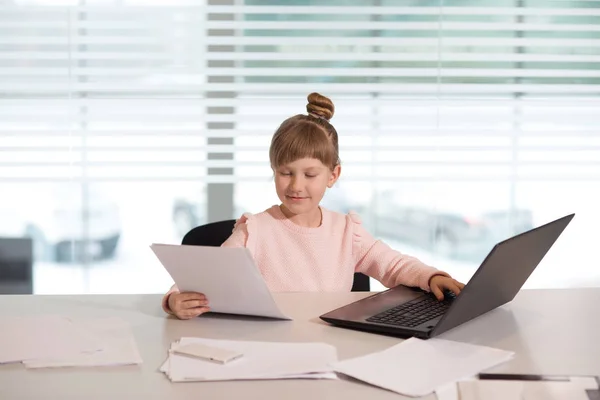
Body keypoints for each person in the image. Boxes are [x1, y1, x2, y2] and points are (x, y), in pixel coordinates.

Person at [163, 92, 465, 320]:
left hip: (334, 343)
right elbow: (209, 276)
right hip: (273, 345)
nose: (296, 185)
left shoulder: (348, 232)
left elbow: (394, 264)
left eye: (310, 175)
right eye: (285, 173)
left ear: (333, 175)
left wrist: (431, 276)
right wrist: (175, 298)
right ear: (273, 169)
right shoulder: (254, 231)